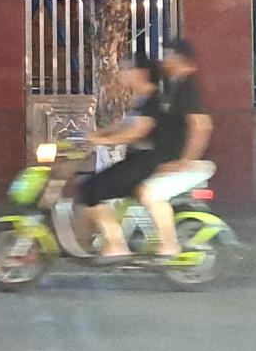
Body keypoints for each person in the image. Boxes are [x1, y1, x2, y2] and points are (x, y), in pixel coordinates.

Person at [80, 41, 212, 261]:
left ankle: (144, 245)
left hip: (159, 160)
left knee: (99, 190)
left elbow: (200, 126)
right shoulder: (161, 93)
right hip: (152, 158)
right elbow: (125, 125)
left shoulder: (181, 89)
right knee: (96, 187)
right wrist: (95, 135)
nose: (165, 60)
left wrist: (185, 161)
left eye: (126, 69)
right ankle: (108, 242)